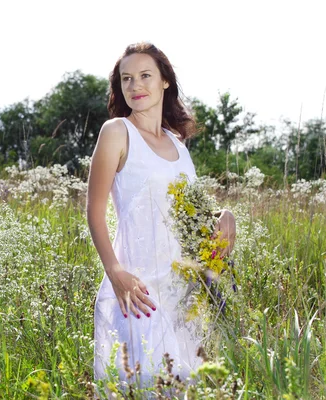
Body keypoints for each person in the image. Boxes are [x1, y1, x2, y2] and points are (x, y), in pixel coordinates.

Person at [86, 42, 236, 389]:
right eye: (126, 79)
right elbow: (93, 210)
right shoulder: (117, 132)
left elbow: (190, 216)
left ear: (165, 80)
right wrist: (115, 272)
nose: (135, 86)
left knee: (186, 388)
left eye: (144, 76)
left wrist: (223, 218)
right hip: (137, 292)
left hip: (180, 293)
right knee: (147, 388)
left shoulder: (178, 143)